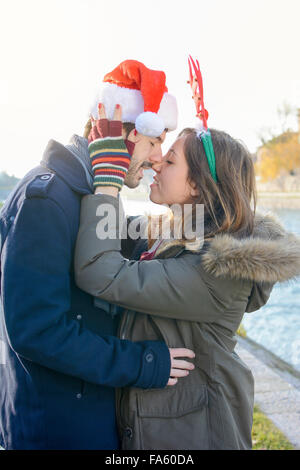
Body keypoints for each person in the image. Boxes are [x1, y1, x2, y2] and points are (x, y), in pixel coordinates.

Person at [74, 103, 300, 450]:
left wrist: (107, 182)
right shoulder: (175, 232)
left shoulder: (213, 272)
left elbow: (100, 273)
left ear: (195, 185)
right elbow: (106, 232)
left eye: (171, 159)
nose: (156, 161)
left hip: (199, 435)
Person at [0, 60, 195, 450]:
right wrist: (141, 363)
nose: (158, 157)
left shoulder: (93, 195)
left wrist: (202, 215)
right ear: (112, 138)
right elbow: (37, 330)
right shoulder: (48, 198)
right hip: (53, 430)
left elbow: (127, 242)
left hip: (86, 418)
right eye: (153, 142)